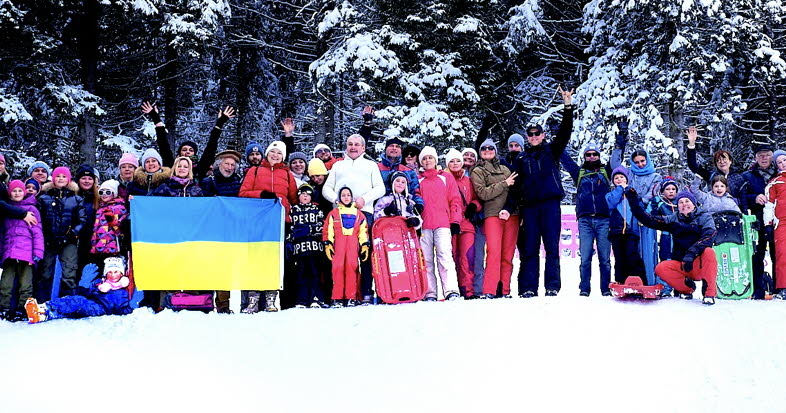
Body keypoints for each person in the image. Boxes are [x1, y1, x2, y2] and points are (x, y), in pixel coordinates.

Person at [504, 87, 575, 298]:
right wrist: (508, 208)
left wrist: (568, 106)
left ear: (543, 135)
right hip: (530, 207)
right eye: (531, 134)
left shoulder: (551, 150)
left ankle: (552, 286)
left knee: (552, 247)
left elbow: (565, 132)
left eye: (537, 134)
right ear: (527, 137)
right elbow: (515, 187)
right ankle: (528, 287)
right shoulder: (521, 159)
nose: (534, 137)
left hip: (550, 205)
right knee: (530, 248)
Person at [322, 134, 385, 304]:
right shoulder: (338, 166)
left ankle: (364, 292)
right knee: (341, 256)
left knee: (364, 253)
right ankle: (340, 294)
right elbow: (326, 188)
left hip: (364, 213)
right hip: (340, 216)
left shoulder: (370, 165)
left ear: (363, 148)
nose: (353, 147)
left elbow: (380, 188)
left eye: (357, 144)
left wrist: (365, 199)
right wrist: (337, 200)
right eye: (350, 144)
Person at [627, 187, 718, 305]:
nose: (684, 204)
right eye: (681, 202)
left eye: (687, 201)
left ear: (694, 204)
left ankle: (709, 294)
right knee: (661, 268)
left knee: (709, 252)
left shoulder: (704, 217)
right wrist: (633, 201)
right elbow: (648, 220)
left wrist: (692, 253)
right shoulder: (674, 219)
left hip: (699, 264)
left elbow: (710, 235)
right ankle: (686, 289)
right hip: (683, 265)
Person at [240, 141, 298, 313]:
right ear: (267, 154)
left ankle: (271, 298)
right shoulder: (255, 171)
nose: (275, 155)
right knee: (256, 259)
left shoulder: (287, 174)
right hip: (258, 221)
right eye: (272, 151)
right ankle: (253, 298)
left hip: (280, 222)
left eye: (279, 153)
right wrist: (261, 194)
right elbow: (242, 193)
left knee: (275, 260)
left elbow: (294, 199)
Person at [610, 124, 662, 286]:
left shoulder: (655, 176)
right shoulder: (630, 174)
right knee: (631, 250)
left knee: (646, 248)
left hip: (645, 215)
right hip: (630, 216)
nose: (640, 164)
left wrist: (640, 207)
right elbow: (615, 165)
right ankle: (630, 281)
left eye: (642, 161)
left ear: (647, 160)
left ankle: (649, 281)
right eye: (637, 162)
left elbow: (653, 193)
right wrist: (619, 146)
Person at [562, 141, 612, 296]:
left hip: (604, 219)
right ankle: (584, 289)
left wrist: (620, 141)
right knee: (585, 258)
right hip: (585, 221)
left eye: (594, 154)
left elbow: (617, 158)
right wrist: (558, 139)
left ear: (599, 156)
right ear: (584, 157)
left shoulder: (606, 171)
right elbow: (566, 160)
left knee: (605, 259)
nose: (591, 157)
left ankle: (606, 289)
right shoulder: (579, 173)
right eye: (588, 154)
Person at [471, 140, 518, 299]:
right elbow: (483, 193)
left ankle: (504, 289)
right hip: (492, 214)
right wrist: (504, 184)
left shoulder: (506, 168)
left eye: (491, 148)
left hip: (511, 215)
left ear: (496, 151)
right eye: (484, 148)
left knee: (508, 254)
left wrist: (511, 208)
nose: (487, 150)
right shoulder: (478, 171)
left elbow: (515, 190)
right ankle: (490, 289)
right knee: (494, 252)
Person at [141, 102, 235, 180]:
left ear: (195, 153)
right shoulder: (171, 166)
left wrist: (220, 123)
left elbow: (211, 147)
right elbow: (163, 145)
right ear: (179, 152)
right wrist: (155, 118)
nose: (187, 152)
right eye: (184, 149)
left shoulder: (200, 168)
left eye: (191, 150)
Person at [25, 257, 134, 323]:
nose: (113, 275)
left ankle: (46, 308)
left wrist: (129, 308)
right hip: (92, 304)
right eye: (109, 272)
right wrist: (84, 284)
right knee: (71, 306)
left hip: (100, 309)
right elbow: (84, 293)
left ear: (121, 273)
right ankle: (43, 314)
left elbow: (121, 309)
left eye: (116, 272)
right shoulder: (99, 282)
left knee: (78, 301)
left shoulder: (122, 290)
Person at [418, 146, 462, 301]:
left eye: (430, 157)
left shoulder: (445, 177)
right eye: (424, 159)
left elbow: (455, 199)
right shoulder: (418, 179)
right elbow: (415, 200)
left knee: (445, 257)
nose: (427, 161)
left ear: (435, 160)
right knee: (426, 260)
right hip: (424, 226)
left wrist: (455, 220)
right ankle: (429, 292)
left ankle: (451, 290)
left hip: (443, 223)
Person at [37, 167, 87, 300]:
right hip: (49, 241)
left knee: (69, 272)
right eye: (58, 176)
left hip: (69, 241)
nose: (60, 179)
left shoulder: (76, 199)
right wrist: (46, 236)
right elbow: (39, 220)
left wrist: (72, 234)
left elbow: (82, 220)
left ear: (69, 180)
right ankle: (43, 302)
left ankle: (67, 303)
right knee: (46, 272)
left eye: (64, 176)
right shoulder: (44, 198)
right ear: (53, 179)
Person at [0, 180, 44, 321]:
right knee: (5, 284)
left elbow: (37, 233)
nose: (17, 193)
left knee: (26, 284)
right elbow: (3, 233)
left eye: (20, 190)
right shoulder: (7, 210)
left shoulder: (32, 210)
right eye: (14, 191)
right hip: (9, 253)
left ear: (24, 192)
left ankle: (23, 309)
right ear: (9, 193)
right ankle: (4, 308)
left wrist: (37, 253)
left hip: (26, 254)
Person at [741, 143, 778, 299]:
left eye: (767, 155)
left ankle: (779, 288)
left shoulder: (779, 173)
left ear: (772, 156)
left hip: (778, 221)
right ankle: (758, 289)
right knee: (757, 255)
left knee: (778, 255)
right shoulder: (747, 176)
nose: (764, 158)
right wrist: (754, 198)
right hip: (756, 221)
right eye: (760, 155)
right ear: (755, 158)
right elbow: (741, 198)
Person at [323, 187, 369, 307]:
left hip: (353, 245)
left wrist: (364, 245)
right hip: (338, 245)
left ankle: (351, 297)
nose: (346, 197)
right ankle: (337, 298)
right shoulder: (333, 213)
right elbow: (328, 230)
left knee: (352, 268)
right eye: (343, 195)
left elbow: (363, 231)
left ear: (352, 197)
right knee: (337, 268)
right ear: (339, 198)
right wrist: (328, 243)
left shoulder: (359, 214)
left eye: (348, 195)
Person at [445, 149, 480, 299]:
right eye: (452, 161)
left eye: (458, 161)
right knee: (452, 257)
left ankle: (468, 290)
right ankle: (454, 289)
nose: (455, 164)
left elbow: (477, 199)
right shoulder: (443, 179)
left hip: (466, 224)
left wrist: (474, 206)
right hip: (449, 224)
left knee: (467, 257)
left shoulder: (467, 181)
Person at [685, 126, 745, 208]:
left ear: (730, 161)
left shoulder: (739, 178)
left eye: (724, 159)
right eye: (718, 160)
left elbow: (744, 198)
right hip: (713, 210)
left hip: (732, 210)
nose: (722, 162)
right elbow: (693, 165)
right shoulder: (711, 175)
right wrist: (692, 144)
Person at [289, 184, 328, 308]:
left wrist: (306, 230)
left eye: (308, 194)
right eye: (302, 194)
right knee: (301, 274)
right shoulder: (293, 210)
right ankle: (302, 300)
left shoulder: (317, 210)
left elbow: (321, 228)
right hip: (299, 250)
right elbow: (292, 230)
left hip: (315, 249)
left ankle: (316, 298)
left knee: (315, 273)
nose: (305, 196)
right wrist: (304, 231)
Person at [606, 167, 646, 286]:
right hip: (616, 231)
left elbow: (639, 207)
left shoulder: (632, 193)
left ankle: (638, 280)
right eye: (616, 178)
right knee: (619, 258)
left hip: (631, 231)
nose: (619, 179)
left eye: (622, 177)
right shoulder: (610, 194)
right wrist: (620, 189)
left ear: (627, 179)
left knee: (632, 255)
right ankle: (621, 281)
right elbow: (611, 203)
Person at [648, 177, 679, 296]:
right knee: (666, 261)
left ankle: (680, 288)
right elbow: (651, 215)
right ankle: (665, 287)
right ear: (662, 191)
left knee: (679, 261)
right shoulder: (660, 202)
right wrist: (654, 203)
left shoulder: (680, 202)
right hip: (666, 236)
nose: (671, 191)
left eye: (673, 189)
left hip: (679, 236)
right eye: (668, 189)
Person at [89, 180, 128, 273]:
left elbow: (120, 230)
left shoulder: (119, 208)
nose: (104, 195)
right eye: (101, 192)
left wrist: (112, 221)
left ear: (114, 193)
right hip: (99, 247)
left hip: (112, 248)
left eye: (108, 192)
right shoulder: (100, 208)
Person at [763, 150, 786, 299]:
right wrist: (768, 224)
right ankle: (783, 287)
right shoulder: (774, 182)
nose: (783, 164)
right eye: (779, 162)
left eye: (785, 160)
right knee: (783, 255)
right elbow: (769, 205)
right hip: (782, 223)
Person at [74, 164, 100, 270]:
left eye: (90, 178)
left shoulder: (98, 198)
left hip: (92, 239)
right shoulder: (72, 196)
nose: (86, 181)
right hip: (75, 239)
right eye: (83, 178)